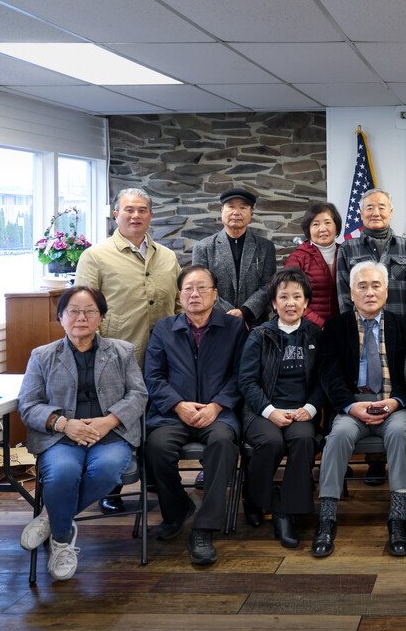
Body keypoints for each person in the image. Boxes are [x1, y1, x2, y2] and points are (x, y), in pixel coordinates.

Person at [17, 287, 147, 581]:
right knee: (62, 473)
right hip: (61, 437)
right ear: (60, 317)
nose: (81, 317)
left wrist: (107, 421)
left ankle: (52, 518)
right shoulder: (42, 356)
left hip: (110, 434)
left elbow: (138, 395)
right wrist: (64, 424)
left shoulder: (122, 351)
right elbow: (28, 405)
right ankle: (63, 538)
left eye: (90, 311)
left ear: (101, 316)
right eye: (73, 311)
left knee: (107, 470)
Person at [74, 186, 180, 514]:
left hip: (163, 358)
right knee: (118, 420)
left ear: (151, 215)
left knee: (158, 419)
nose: (136, 215)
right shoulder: (95, 256)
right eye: (129, 209)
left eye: (143, 210)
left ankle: (157, 480)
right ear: (115, 214)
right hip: (116, 359)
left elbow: (177, 304)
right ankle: (113, 487)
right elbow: (83, 308)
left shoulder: (168, 257)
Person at [144, 265, 247, 566]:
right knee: (156, 446)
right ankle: (177, 510)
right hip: (173, 413)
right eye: (188, 288)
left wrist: (216, 405)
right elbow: (153, 377)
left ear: (215, 294)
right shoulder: (164, 328)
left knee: (223, 444)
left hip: (219, 412)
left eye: (202, 288)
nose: (195, 294)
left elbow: (242, 375)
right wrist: (178, 405)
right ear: (179, 295)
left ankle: (204, 528)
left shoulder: (234, 328)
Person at [313, 261, 406, 558]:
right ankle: (327, 518)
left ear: (386, 290)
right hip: (351, 407)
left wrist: (395, 401)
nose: (370, 292)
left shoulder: (405, 326)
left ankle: (397, 518)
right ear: (351, 293)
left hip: (393, 406)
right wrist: (350, 406)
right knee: (337, 437)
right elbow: (328, 373)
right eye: (362, 286)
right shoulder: (334, 327)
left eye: (376, 285)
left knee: (399, 434)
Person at [238, 268, 323, 548]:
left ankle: (285, 513)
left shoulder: (315, 335)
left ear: (306, 302)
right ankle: (256, 497)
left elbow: (325, 380)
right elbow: (247, 382)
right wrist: (269, 411)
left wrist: (310, 408)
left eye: (297, 297)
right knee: (271, 443)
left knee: (303, 438)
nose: (290, 303)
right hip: (262, 410)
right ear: (273, 303)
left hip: (300, 412)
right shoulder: (260, 335)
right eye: (283, 297)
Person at [191, 188, 277, 328]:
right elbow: (201, 288)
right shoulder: (203, 248)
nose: (236, 212)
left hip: (255, 325)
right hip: (215, 324)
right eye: (231, 206)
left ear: (251, 212)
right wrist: (230, 315)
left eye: (243, 207)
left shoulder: (265, 247)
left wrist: (244, 312)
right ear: (222, 210)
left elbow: (268, 286)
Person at [336, 188, 406, 318]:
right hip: (361, 327)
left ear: (390, 212)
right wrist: (351, 327)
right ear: (361, 213)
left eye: (381, 208)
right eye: (370, 208)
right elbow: (344, 295)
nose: (375, 213)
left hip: (400, 327)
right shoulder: (347, 248)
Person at [284, 202, 342, 328]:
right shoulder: (298, 258)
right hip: (309, 330)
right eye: (316, 224)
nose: (323, 229)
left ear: (336, 226)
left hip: (343, 330)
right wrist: (322, 325)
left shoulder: (347, 252)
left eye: (327, 222)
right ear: (308, 230)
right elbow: (291, 300)